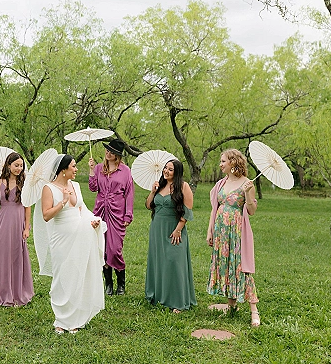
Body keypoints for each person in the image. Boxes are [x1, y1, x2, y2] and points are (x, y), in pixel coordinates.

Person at [33, 154, 106, 334]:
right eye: (73, 166)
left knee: (78, 275)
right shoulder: (48, 188)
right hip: (61, 238)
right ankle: (61, 320)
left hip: (81, 236)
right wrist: (63, 202)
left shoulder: (76, 185)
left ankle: (75, 319)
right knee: (62, 276)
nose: (76, 169)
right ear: (63, 170)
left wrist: (93, 221)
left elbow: (82, 209)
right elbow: (46, 215)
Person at [206, 149, 260, 327]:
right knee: (227, 264)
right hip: (221, 230)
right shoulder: (221, 183)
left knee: (241, 266)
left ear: (233, 162)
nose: (220, 164)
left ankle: (254, 310)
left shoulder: (247, 183)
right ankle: (231, 305)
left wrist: (247, 194)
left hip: (237, 230)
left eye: (223, 161)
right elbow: (215, 208)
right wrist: (210, 231)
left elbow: (251, 211)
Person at [144, 159, 196, 313]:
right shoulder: (160, 185)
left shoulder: (183, 186)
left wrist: (178, 229)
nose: (166, 171)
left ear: (177, 172)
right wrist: (153, 192)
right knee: (159, 261)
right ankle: (159, 295)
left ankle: (178, 301)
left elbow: (187, 211)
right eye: (165, 168)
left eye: (170, 169)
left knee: (174, 261)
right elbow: (148, 206)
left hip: (174, 228)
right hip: (157, 228)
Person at [0, 152, 34, 307]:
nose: (19, 168)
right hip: (3, 222)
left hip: (18, 222)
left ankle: (17, 291)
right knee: (2, 254)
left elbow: (27, 207)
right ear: (8, 165)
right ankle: (1, 291)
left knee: (16, 255)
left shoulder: (25, 182)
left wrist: (26, 227)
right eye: (16, 165)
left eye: (21, 165)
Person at [88, 138, 134, 295]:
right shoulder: (100, 168)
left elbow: (129, 194)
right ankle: (108, 284)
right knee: (103, 249)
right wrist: (91, 170)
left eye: (111, 151)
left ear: (117, 155)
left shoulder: (125, 171)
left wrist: (128, 215)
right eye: (107, 150)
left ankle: (121, 283)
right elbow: (93, 188)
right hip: (100, 213)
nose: (107, 153)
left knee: (115, 250)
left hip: (117, 214)